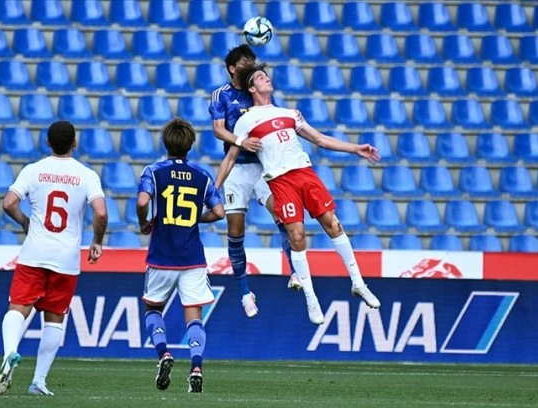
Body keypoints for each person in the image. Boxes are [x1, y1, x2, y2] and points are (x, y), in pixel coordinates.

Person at [216, 64, 382, 325]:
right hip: (280, 181)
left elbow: (320, 140)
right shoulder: (245, 121)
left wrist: (355, 148)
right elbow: (231, 157)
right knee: (297, 236)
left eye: (266, 75)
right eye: (260, 77)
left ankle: (359, 283)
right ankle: (311, 298)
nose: (267, 79)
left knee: (334, 224)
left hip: (305, 173)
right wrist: (215, 189)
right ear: (251, 88)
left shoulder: (290, 113)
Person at [0, 121, 108, 396]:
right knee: (55, 320)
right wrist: (96, 241)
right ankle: (38, 382)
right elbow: (101, 213)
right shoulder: (86, 175)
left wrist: (25, 222)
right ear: (75, 143)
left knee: (17, 309)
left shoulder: (33, 170)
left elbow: (8, 202)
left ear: (47, 143)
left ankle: (10, 353)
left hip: (34, 253)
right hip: (66, 259)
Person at [209, 44, 300, 319]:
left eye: (252, 59)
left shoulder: (256, 91)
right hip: (237, 167)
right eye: (246, 60)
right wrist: (240, 141)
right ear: (233, 67)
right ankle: (245, 292)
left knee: (282, 214)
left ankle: (295, 271)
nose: (252, 63)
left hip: (262, 165)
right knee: (236, 231)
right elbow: (218, 129)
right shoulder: (221, 95)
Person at [137, 118, 225, 393]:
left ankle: (163, 353)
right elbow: (220, 212)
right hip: (192, 258)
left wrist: (145, 221)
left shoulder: (153, 171)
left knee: (153, 309)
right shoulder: (202, 175)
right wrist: (195, 218)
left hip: (162, 255)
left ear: (165, 143)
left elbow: (142, 202)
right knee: (194, 315)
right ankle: (196, 367)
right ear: (190, 145)